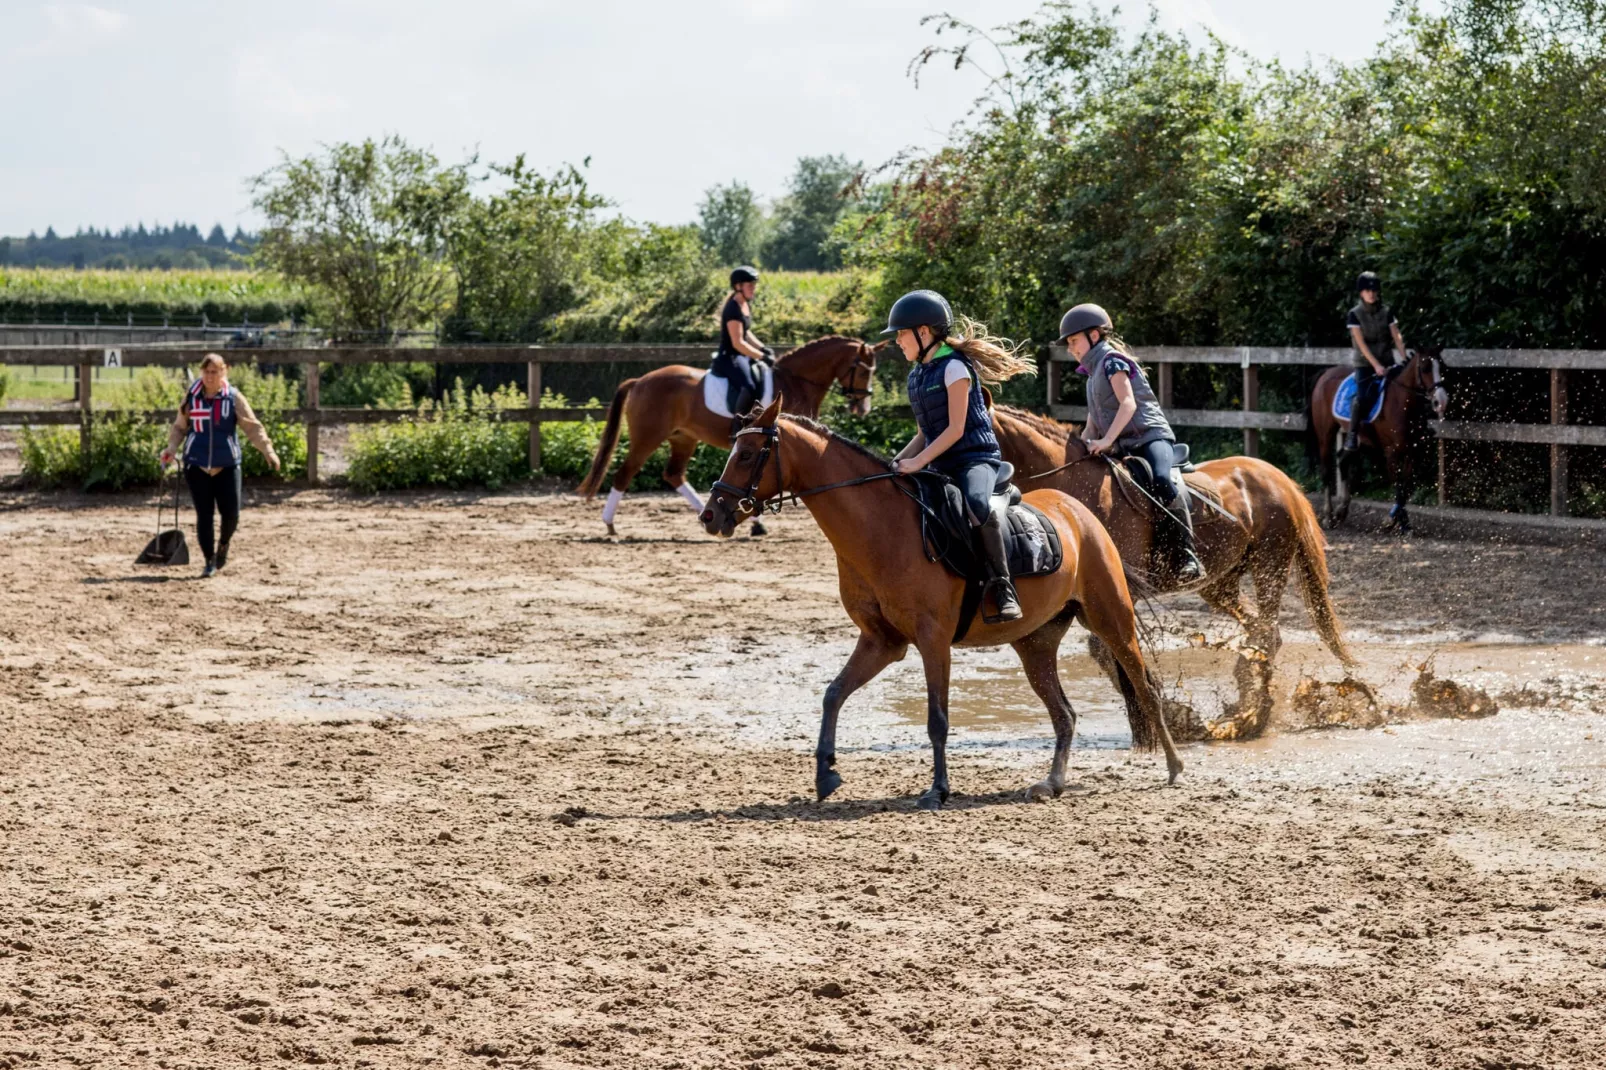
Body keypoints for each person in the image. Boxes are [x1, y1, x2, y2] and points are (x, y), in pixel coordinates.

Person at [886, 289, 1035, 624]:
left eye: (901, 334)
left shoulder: (955, 368)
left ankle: (1003, 585)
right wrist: (895, 463)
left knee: (976, 505)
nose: (897, 341)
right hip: (940, 461)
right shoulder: (917, 376)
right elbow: (924, 434)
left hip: (974, 458)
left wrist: (918, 462)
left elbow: (954, 430)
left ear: (923, 332)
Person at [1059, 302, 1205, 583]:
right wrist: (1083, 443)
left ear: (1093, 335)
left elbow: (1128, 404)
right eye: (1068, 344)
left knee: (1162, 479)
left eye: (1074, 341)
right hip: (1123, 444)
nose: (1070, 349)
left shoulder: (1113, 361)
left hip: (1150, 437)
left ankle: (1187, 556)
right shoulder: (1091, 375)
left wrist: (1107, 440)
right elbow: (1094, 419)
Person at [158, 353, 280, 578]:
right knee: (204, 515)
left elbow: (253, 427)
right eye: (206, 372)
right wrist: (171, 449)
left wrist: (268, 451)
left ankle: (223, 544)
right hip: (196, 464)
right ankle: (209, 560)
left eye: (215, 372)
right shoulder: (191, 398)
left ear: (224, 372)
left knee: (231, 514)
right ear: (201, 372)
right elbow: (179, 427)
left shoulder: (233, 398)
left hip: (227, 464)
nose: (210, 376)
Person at [1342, 270, 1407, 453]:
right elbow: (1361, 344)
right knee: (1363, 397)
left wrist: (1404, 358)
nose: (1371, 294)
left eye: (1373, 290)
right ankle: (1352, 435)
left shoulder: (1387, 312)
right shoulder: (1354, 314)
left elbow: (1397, 336)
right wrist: (1375, 365)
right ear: (1361, 293)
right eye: (1366, 290)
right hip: (1365, 363)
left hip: (1387, 361)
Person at [711, 265, 774, 427]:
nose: (753, 289)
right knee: (749, 386)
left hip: (740, 355)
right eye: (750, 285)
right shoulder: (733, 308)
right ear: (738, 287)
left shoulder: (744, 305)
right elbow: (737, 343)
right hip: (729, 357)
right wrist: (761, 357)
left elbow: (746, 332)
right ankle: (737, 428)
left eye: (754, 285)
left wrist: (762, 348)